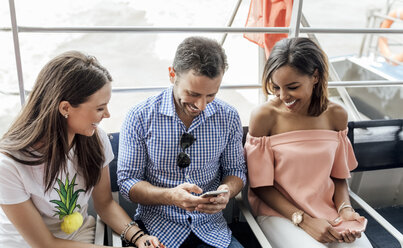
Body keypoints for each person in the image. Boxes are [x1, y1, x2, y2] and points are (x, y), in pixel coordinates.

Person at [0, 51, 163, 248]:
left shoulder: (96, 139)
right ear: (65, 108)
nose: (108, 114)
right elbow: (45, 243)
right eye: (100, 108)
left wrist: (139, 238)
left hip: (80, 238)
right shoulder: (8, 165)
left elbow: (105, 204)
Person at [117, 36, 247, 248]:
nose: (201, 105)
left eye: (211, 95)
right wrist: (170, 196)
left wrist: (226, 191)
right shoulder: (140, 116)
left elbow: (236, 171)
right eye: (193, 94)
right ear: (172, 74)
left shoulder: (229, 116)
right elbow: (127, 183)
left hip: (212, 229)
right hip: (157, 229)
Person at [244, 37, 373, 248]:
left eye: (292, 87)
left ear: (315, 76)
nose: (283, 96)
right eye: (276, 87)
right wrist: (304, 221)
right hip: (279, 214)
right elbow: (260, 187)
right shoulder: (264, 116)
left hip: (328, 211)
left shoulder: (337, 115)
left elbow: (339, 177)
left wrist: (345, 210)